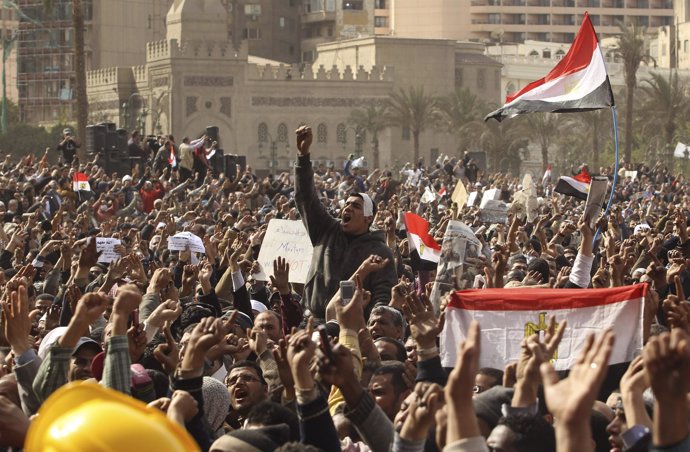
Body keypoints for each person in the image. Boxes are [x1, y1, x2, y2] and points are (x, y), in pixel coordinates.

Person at [294, 125, 397, 319]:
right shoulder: (325, 230)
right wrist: (303, 157)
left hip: (350, 328)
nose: (347, 208)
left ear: (368, 218)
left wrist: (374, 325)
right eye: (347, 204)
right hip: (311, 322)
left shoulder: (380, 253)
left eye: (356, 206)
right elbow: (305, 198)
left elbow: (383, 295)